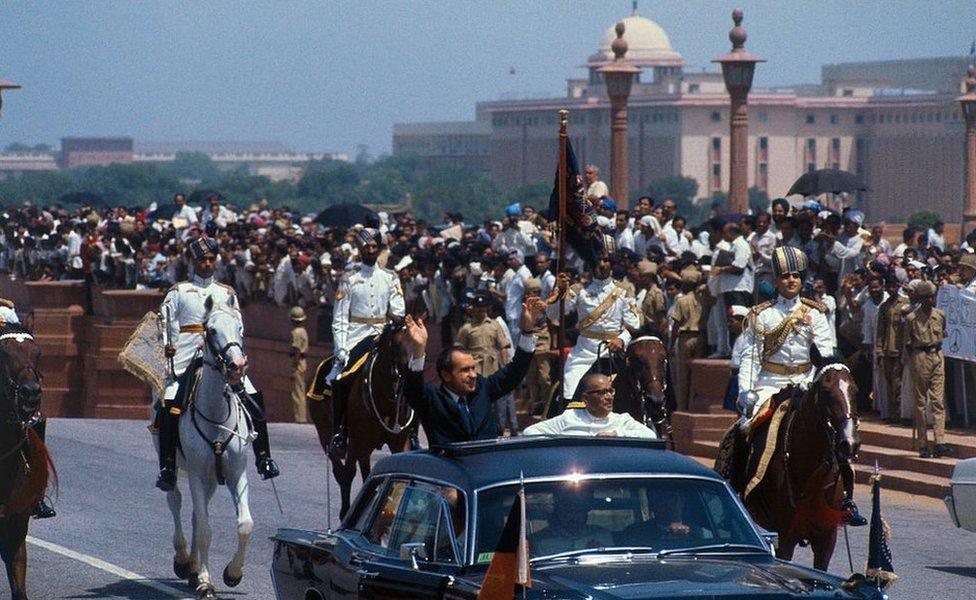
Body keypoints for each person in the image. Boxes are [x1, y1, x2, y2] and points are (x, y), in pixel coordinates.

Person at [736, 246, 866, 526]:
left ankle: (845, 497)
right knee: (747, 429)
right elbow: (750, 356)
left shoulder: (816, 313)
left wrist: (816, 382)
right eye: (785, 276)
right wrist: (745, 391)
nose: (790, 281)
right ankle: (737, 488)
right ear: (776, 279)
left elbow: (825, 355)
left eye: (795, 275)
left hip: (809, 383)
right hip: (769, 384)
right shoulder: (762, 315)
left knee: (837, 429)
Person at [155, 236, 279, 492]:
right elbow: (165, 324)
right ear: (193, 261)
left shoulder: (226, 293)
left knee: (253, 394)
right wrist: (170, 346)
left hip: (221, 357)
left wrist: (236, 354)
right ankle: (168, 467)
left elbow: (238, 327)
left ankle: (264, 458)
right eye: (202, 259)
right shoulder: (178, 291)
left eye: (211, 259)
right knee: (169, 402)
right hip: (187, 356)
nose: (207, 264)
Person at [400, 297, 545, 446]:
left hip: (487, 464)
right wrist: (418, 350)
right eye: (464, 370)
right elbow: (413, 389)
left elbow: (514, 372)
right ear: (446, 375)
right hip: (450, 467)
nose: (473, 375)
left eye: (473, 368)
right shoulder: (432, 400)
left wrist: (527, 332)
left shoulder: (482, 389)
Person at [319, 228, 405, 459]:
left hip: (383, 332)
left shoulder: (389, 277)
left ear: (379, 249)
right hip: (357, 335)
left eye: (373, 246)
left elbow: (398, 309)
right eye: (366, 247)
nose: (370, 250)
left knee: (407, 372)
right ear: (360, 249)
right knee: (341, 378)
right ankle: (340, 433)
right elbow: (339, 317)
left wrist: (396, 322)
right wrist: (341, 348)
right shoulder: (349, 279)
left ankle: (411, 430)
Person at [546, 245, 641, 401]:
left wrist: (621, 339)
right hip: (583, 354)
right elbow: (553, 315)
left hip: (613, 354)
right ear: (590, 263)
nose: (602, 265)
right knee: (567, 393)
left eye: (606, 260)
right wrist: (560, 291)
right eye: (598, 261)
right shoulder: (578, 290)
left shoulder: (624, 290)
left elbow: (634, 324)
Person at [0, 298, 56, 519]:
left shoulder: (6, 310)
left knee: (35, 420)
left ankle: (37, 493)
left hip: (4, 379)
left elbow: (17, 341)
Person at [904, 281, 952, 458]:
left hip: (937, 355)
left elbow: (944, 333)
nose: (932, 300)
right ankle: (923, 443)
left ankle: (939, 441)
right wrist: (913, 364)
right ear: (921, 299)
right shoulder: (911, 318)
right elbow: (907, 344)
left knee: (938, 401)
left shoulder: (940, 315)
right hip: (920, 356)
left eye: (933, 296)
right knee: (921, 403)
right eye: (928, 297)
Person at [524, 373, 656, 438]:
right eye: (602, 393)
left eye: (611, 391)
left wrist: (616, 434)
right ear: (586, 398)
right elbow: (529, 432)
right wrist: (564, 444)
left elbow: (650, 435)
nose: (609, 397)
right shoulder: (569, 418)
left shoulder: (622, 421)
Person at [668, 268, 704, 411]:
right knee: (697, 374)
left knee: (683, 376)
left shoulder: (682, 301)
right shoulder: (703, 298)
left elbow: (676, 324)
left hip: (685, 337)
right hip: (700, 337)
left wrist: (671, 345)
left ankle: (682, 408)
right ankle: (695, 406)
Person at [874, 274, 908, 423]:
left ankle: (901, 414)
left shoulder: (905, 304)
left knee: (899, 384)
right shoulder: (884, 306)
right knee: (889, 383)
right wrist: (879, 350)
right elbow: (880, 330)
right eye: (890, 287)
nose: (892, 289)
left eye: (895, 286)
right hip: (888, 349)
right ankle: (892, 414)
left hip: (901, 349)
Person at [521, 278, 553, 416]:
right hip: (529, 343)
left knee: (544, 377)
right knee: (531, 377)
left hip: (543, 343)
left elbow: (553, 325)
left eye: (534, 292)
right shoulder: (524, 306)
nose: (531, 295)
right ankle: (536, 403)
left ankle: (548, 404)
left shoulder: (545, 306)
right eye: (528, 292)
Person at [289, 306, 309, 424]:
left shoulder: (296, 332)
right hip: (303, 361)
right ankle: (301, 416)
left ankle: (300, 417)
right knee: (300, 389)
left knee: (297, 391)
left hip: (298, 362)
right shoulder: (303, 330)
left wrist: (294, 366)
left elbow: (296, 350)